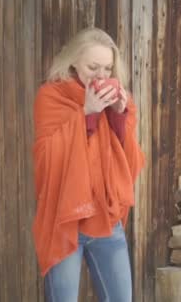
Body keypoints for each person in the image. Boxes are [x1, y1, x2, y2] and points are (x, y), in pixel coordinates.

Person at [32, 27, 145, 302]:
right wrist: (87, 114)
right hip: (65, 220)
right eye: (92, 66)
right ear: (73, 62)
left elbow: (127, 160)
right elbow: (47, 159)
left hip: (106, 220)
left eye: (107, 68)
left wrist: (118, 116)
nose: (102, 76)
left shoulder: (117, 99)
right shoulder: (51, 97)